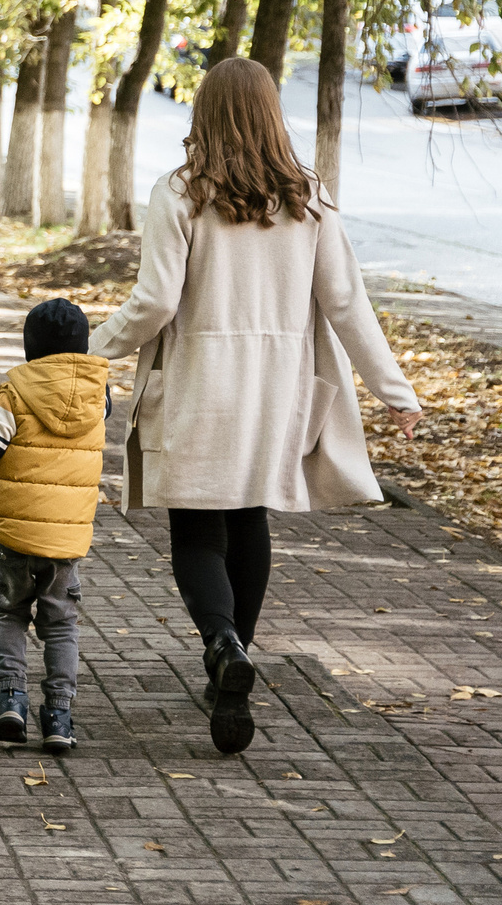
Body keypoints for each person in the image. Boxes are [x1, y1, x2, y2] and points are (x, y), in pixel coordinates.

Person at [89, 56, 424, 755]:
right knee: (248, 518)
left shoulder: (180, 192)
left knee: (197, 527)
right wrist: (397, 393)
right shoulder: (309, 197)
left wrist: (90, 348)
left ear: (203, 112)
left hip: (199, 383)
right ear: (272, 114)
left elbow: (154, 302)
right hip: (278, 389)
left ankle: (221, 643)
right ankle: (231, 660)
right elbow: (346, 304)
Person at [0, 298, 111, 755]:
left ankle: (12, 698)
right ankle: (60, 714)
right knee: (62, 624)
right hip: (66, 538)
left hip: (12, 534)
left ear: (31, 347)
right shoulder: (98, 394)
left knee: (10, 612)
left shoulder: (14, 391)